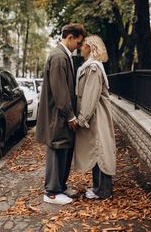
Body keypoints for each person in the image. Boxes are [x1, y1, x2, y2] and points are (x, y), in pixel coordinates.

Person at [35, 23, 86, 205]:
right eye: (78, 43)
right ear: (70, 37)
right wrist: (70, 115)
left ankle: (60, 187)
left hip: (61, 115)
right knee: (57, 150)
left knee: (64, 149)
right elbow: (60, 91)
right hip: (57, 116)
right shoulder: (58, 57)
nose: (79, 47)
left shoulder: (63, 55)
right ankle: (51, 193)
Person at [74, 35, 116, 199]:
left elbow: (91, 95)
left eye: (83, 45)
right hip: (96, 115)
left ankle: (103, 191)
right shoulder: (92, 66)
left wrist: (82, 118)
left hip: (96, 116)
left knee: (99, 150)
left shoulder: (93, 68)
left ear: (90, 48)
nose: (80, 47)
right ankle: (99, 188)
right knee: (97, 150)